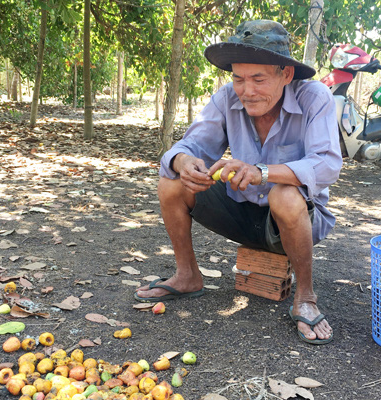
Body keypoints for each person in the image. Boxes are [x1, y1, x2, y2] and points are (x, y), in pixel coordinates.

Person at [135, 20, 342, 345]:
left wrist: (263, 171)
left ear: (285, 74)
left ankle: (305, 296)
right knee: (171, 182)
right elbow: (189, 146)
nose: (246, 90)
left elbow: (327, 164)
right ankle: (188, 276)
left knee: (285, 196)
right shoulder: (226, 98)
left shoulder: (314, 97)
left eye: (258, 79)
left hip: (294, 222)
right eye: (239, 78)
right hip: (241, 212)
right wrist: (183, 161)